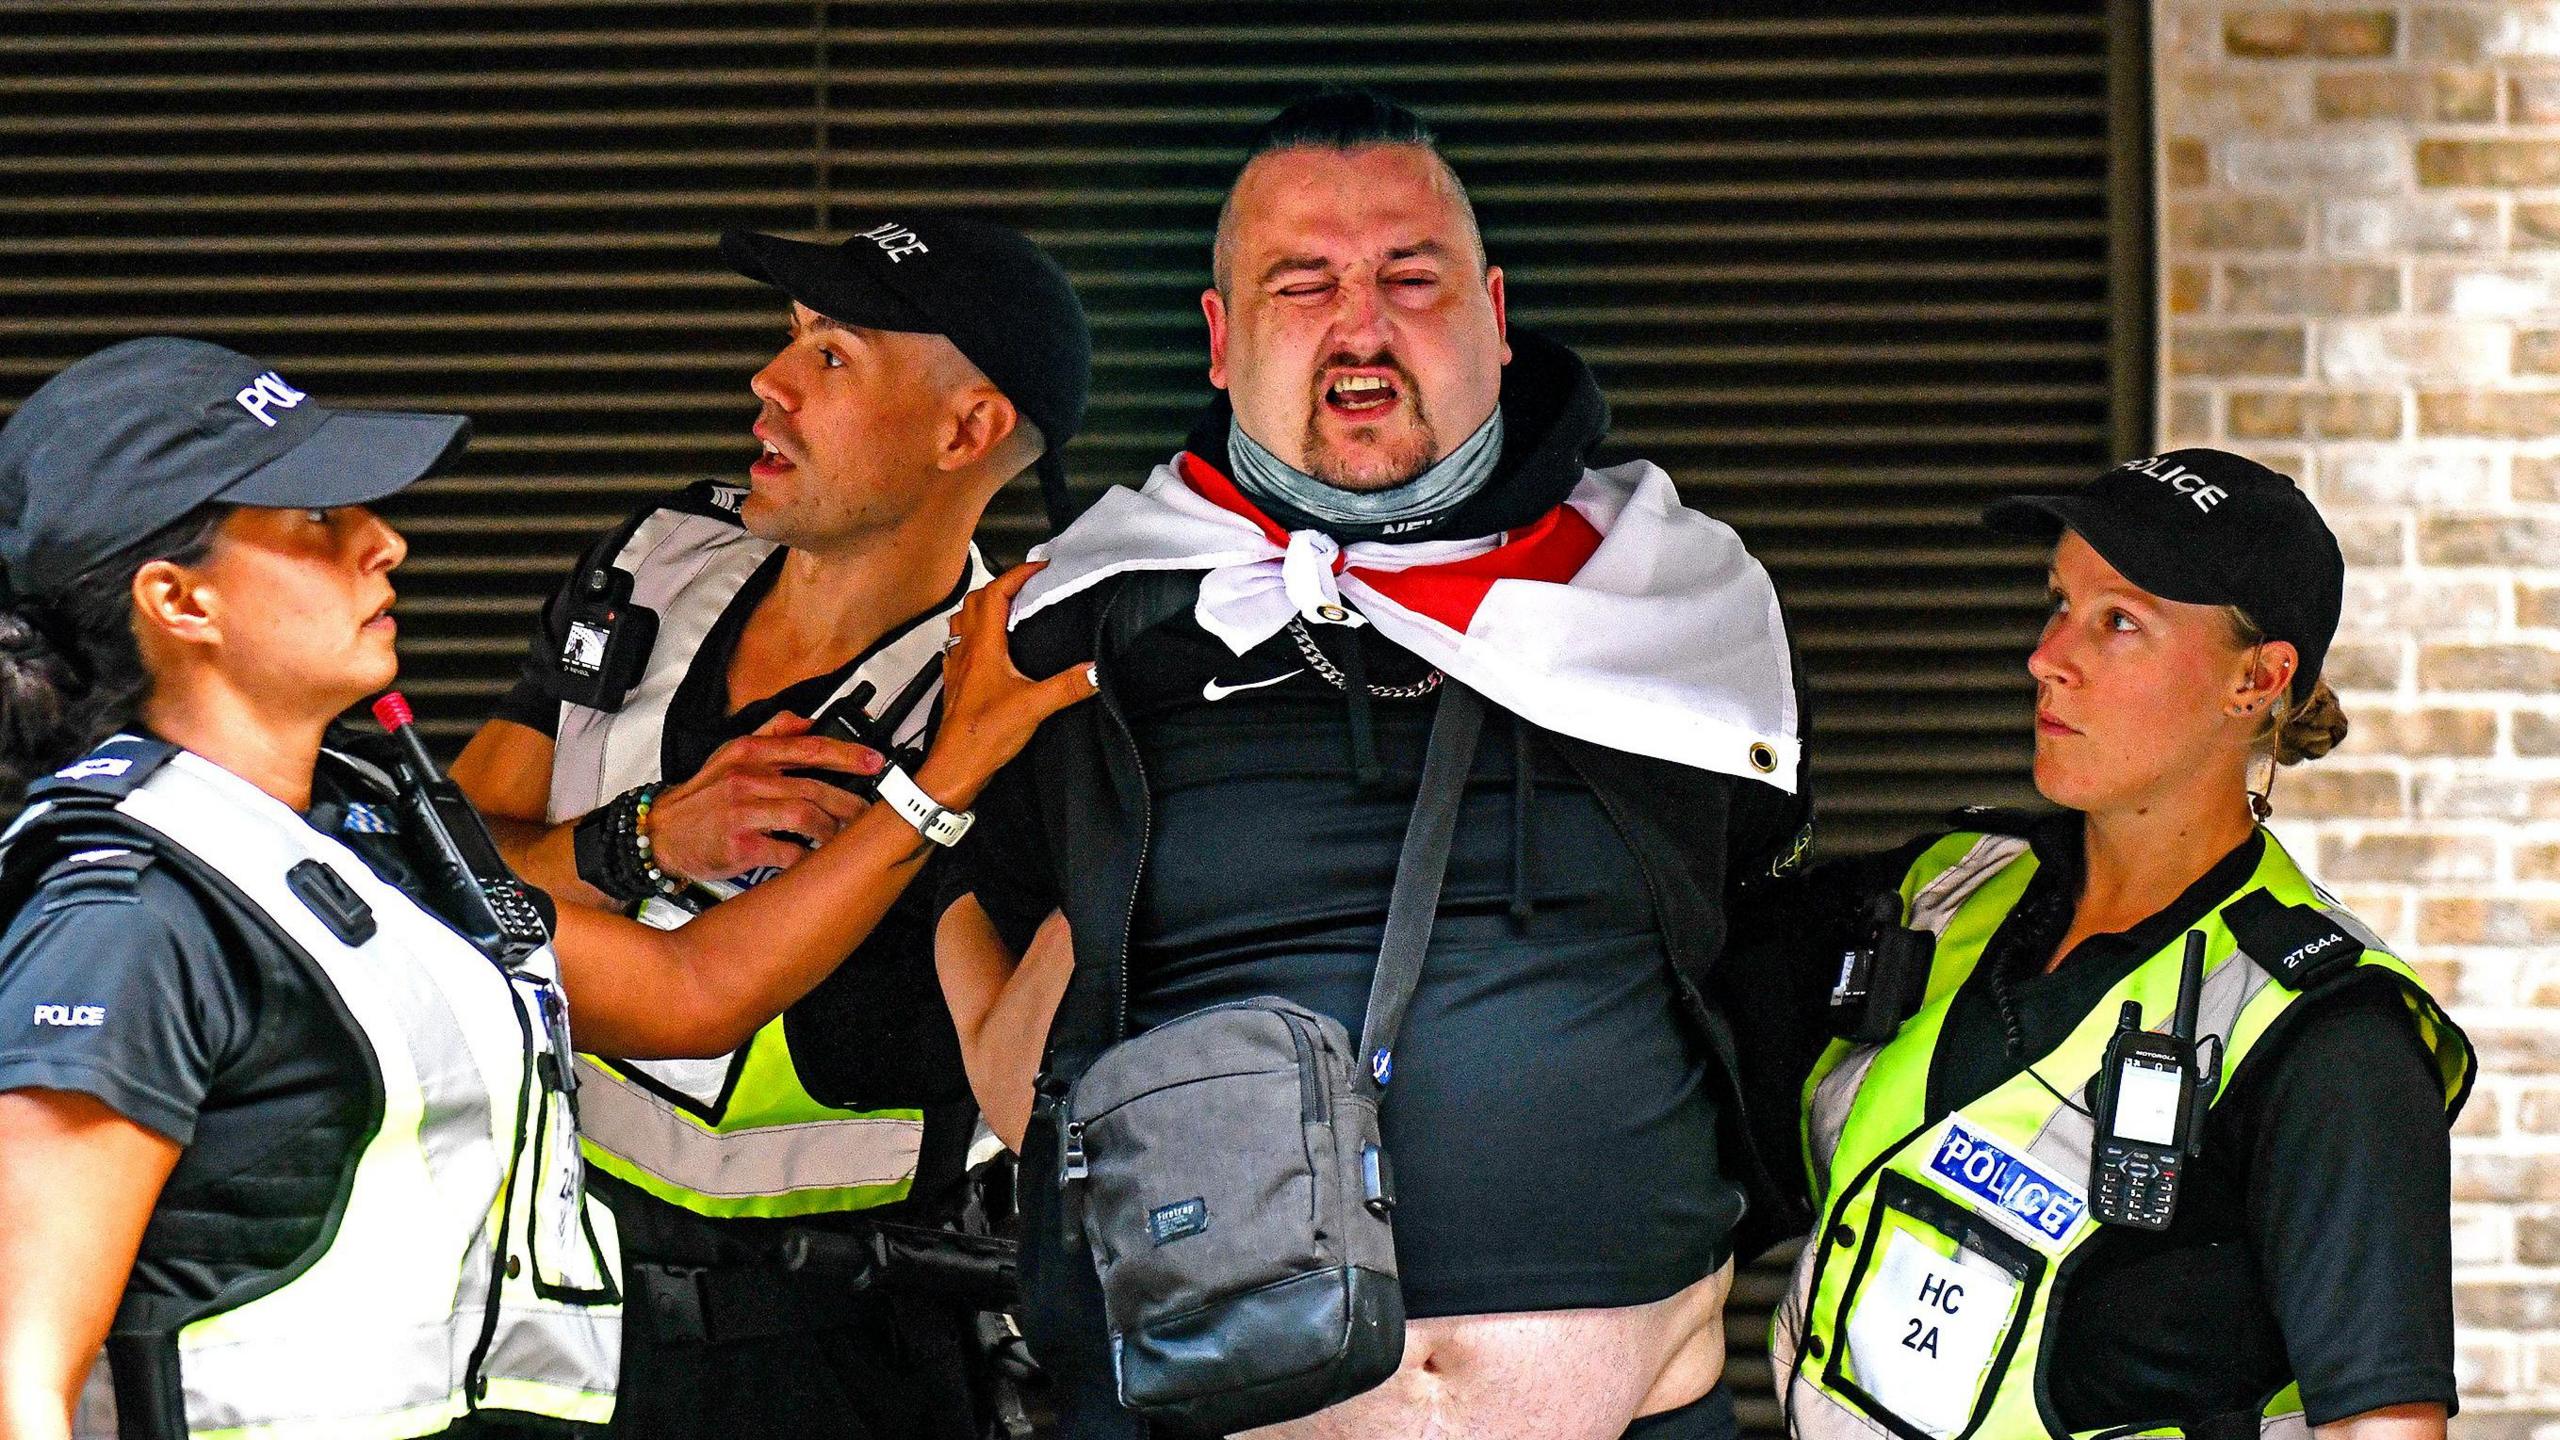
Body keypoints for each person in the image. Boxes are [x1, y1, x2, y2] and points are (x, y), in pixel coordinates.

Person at [0, 338, 1091, 1440]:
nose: (385, 542)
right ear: (179, 600)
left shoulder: (342, 832)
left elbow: (688, 988)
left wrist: (946, 772)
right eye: (317, 523)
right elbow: (19, 1374)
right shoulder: (127, 912)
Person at [936, 91, 1815, 1440]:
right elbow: (965, 907)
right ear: (1222, 340)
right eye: (1305, 283)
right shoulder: (1086, 621)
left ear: (1496, 317)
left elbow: (1736, 918)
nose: (1363, 323)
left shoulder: (1669, 598)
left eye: (1412, 276)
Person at [445, 215, 1091, 1440]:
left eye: (834, 357)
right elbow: (439, 863)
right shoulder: (653, 561)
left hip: (837, 1359)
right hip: (528, 1314)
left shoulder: (1008, 715)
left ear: (969, 431)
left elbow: (1021, 1090)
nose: (770, 382)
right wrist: (635, 840)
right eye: (790, 336)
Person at [1760, 449, 2475, 1440]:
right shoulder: (1948, 887)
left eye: (2119, 621)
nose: (2047, 656)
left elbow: (2382, 1427)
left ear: (2256, 679)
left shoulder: (2329, 1039)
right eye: (2058, 601)